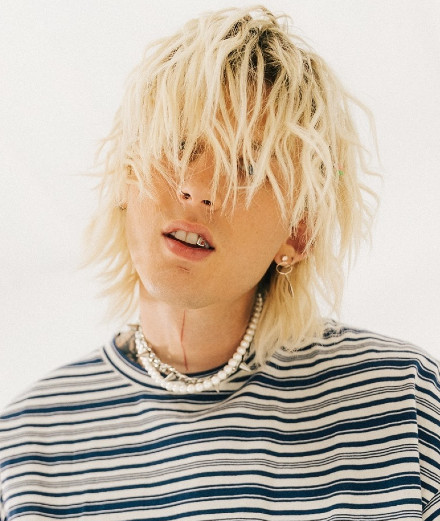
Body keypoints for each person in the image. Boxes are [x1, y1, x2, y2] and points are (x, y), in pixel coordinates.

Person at [1, 6, 439, 520]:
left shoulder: (404, 404)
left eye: (246, 166)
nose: (197, 188)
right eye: (179, 145)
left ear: (298, 233)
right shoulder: (25, 449)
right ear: (125, 181)